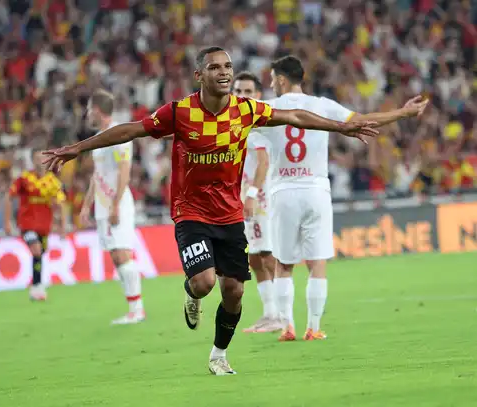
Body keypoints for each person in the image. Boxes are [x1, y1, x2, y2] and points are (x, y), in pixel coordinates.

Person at [42, 46, 379, 375]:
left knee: (234, 291)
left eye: (227, 66)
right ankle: (191, 293)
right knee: (204, 283)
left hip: (230, 214)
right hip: (191, 210)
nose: (224, 72)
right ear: (199, 75)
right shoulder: (180, 112)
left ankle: (219, 354)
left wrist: (340, 126)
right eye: (215, 67)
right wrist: (78, 148)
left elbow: (293, 117)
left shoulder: (246, 110)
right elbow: (132, 129)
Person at [254, 56, 428, 342]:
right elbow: (362, 121)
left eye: (273, 79)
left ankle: (288, 328)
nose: (271, 84)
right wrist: (402, 113)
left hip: (283, 191)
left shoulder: (267, 108)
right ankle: (313, 327)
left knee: (283, 264)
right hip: (316, 191)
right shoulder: (323, 105)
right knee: (317, 263)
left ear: (282, 79)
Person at [79, 89, 145, 325]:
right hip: (102, 205)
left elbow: (125, 170)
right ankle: (133, 308)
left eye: (89, 108)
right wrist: (86, 205)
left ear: (97, 110)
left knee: (122, 254)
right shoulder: (99, 138)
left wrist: (116, 205)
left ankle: (137, 310)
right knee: (116, 257)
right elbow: (97, 175)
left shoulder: (119, 134)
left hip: (117, 202)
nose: (87, 113)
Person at [231, 71, 281, 333]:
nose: (242, 96)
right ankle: (270, 313)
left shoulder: (257, 126)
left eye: (248, 92)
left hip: (261, 198)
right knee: (254, 257)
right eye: (238, 91)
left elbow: (263, 163)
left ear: (258, 95)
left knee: (267, 255)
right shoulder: (235, 123)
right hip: (244, 198)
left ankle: (281, 314)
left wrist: (251, 195)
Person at [4, 148, 67, 301]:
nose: (40, 161)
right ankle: (37, 286)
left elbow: (61, 204)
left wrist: (62, 226)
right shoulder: (25, 178)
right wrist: (7, 222)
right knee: (37, 250)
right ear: (32, 161)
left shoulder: (52, 181)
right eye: (37, 158)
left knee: (39, 254)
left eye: (42, 158)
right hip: (27, 224)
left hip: (44, 226)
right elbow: (9, 197)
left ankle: (36, 287)